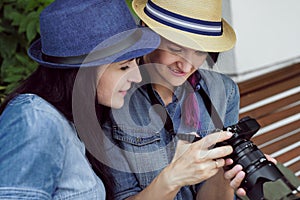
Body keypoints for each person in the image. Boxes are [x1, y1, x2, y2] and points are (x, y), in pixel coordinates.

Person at [96, 0, 276, 199]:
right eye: (176, 49)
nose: (187, 66)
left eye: (199, 51)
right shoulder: (113, 99)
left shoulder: (224, 91)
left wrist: (227, 172)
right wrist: (174, 177)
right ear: (146, 32)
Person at [0, 0, 160, 199]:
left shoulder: (73, 124)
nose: (137, 77)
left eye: (136, 62)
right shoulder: (36, 119)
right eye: (124, 67)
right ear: (80, 73)